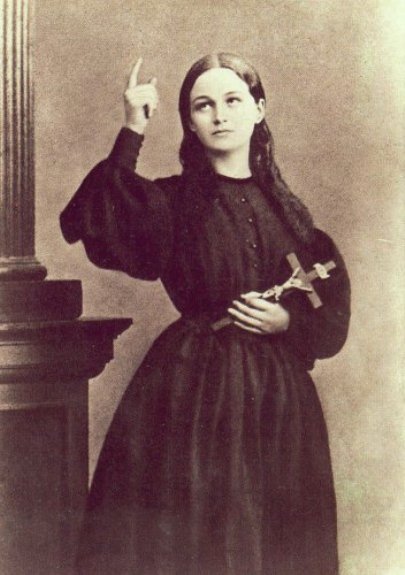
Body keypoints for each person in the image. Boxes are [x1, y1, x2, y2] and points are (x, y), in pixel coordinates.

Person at [60, 52, 351, 575]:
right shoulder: (172, 203)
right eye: (203, 105)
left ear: (259, 110)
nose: (219, 115)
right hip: (192, 394)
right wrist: (132, 129)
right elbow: (98, 217)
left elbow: (329, 319)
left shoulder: (292, 216)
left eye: (233, 100)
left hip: (279, 404)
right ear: (190, 123)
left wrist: (288, 323)